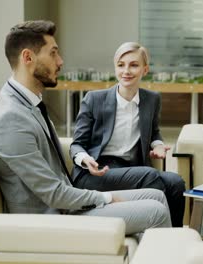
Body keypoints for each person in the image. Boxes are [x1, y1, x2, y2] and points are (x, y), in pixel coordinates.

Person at [0, 20, 172, 235]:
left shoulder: (27, 103)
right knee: (155, 211)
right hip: (51, 218)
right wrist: (106, 198)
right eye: (53, 53)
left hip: (67, 204)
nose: (60, 61)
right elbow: (54, 194)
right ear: (28, 57)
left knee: (156, 196)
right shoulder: (11, 118)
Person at [69, 42, 185, 227]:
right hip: (97, 172)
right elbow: (77, 144)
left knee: (176, 182)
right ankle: (162, 231)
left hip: (132, 168)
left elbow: (154, 131)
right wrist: (84, 159)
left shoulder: (151, 99)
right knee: (151, 176)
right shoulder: (94, 99)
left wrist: (158, 145)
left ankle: (175, 234)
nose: (126, 71)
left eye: (134, 65)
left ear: (145, 69)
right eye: (121, 65)